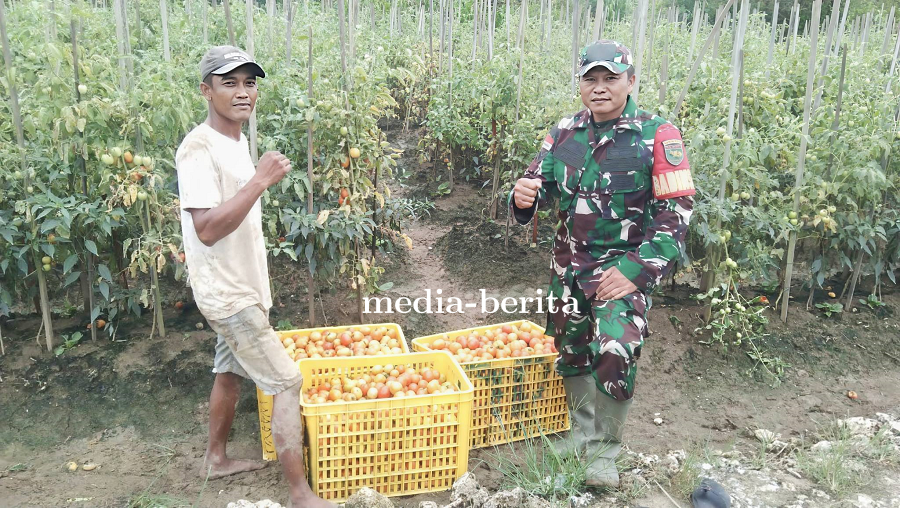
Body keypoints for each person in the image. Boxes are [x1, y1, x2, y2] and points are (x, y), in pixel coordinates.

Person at [510, 40, 695, 488]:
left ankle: (604, 450)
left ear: (630, 82)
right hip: (568, 268)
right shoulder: (566, 133)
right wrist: (523, 197)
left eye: (610, 78)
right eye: (590, 79)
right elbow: (541, 184)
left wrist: (634, 272)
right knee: (571, 350)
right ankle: (581, 435)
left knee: (616, 349)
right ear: (580, 84)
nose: (599, 87)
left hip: (619, 269)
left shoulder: (656, 135)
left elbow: (676, 213)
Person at [176, 45, 335, 508]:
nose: (243, 92)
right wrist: (261, 180)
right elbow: (207, 229)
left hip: (242, 286)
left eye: (249, 83)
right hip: (228, 295)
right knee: (286, 381)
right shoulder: (198, 148)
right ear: (206, 91)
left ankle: (215, 458)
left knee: (229, 373)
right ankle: (300, 494)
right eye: (229, 83)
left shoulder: (235, 141)